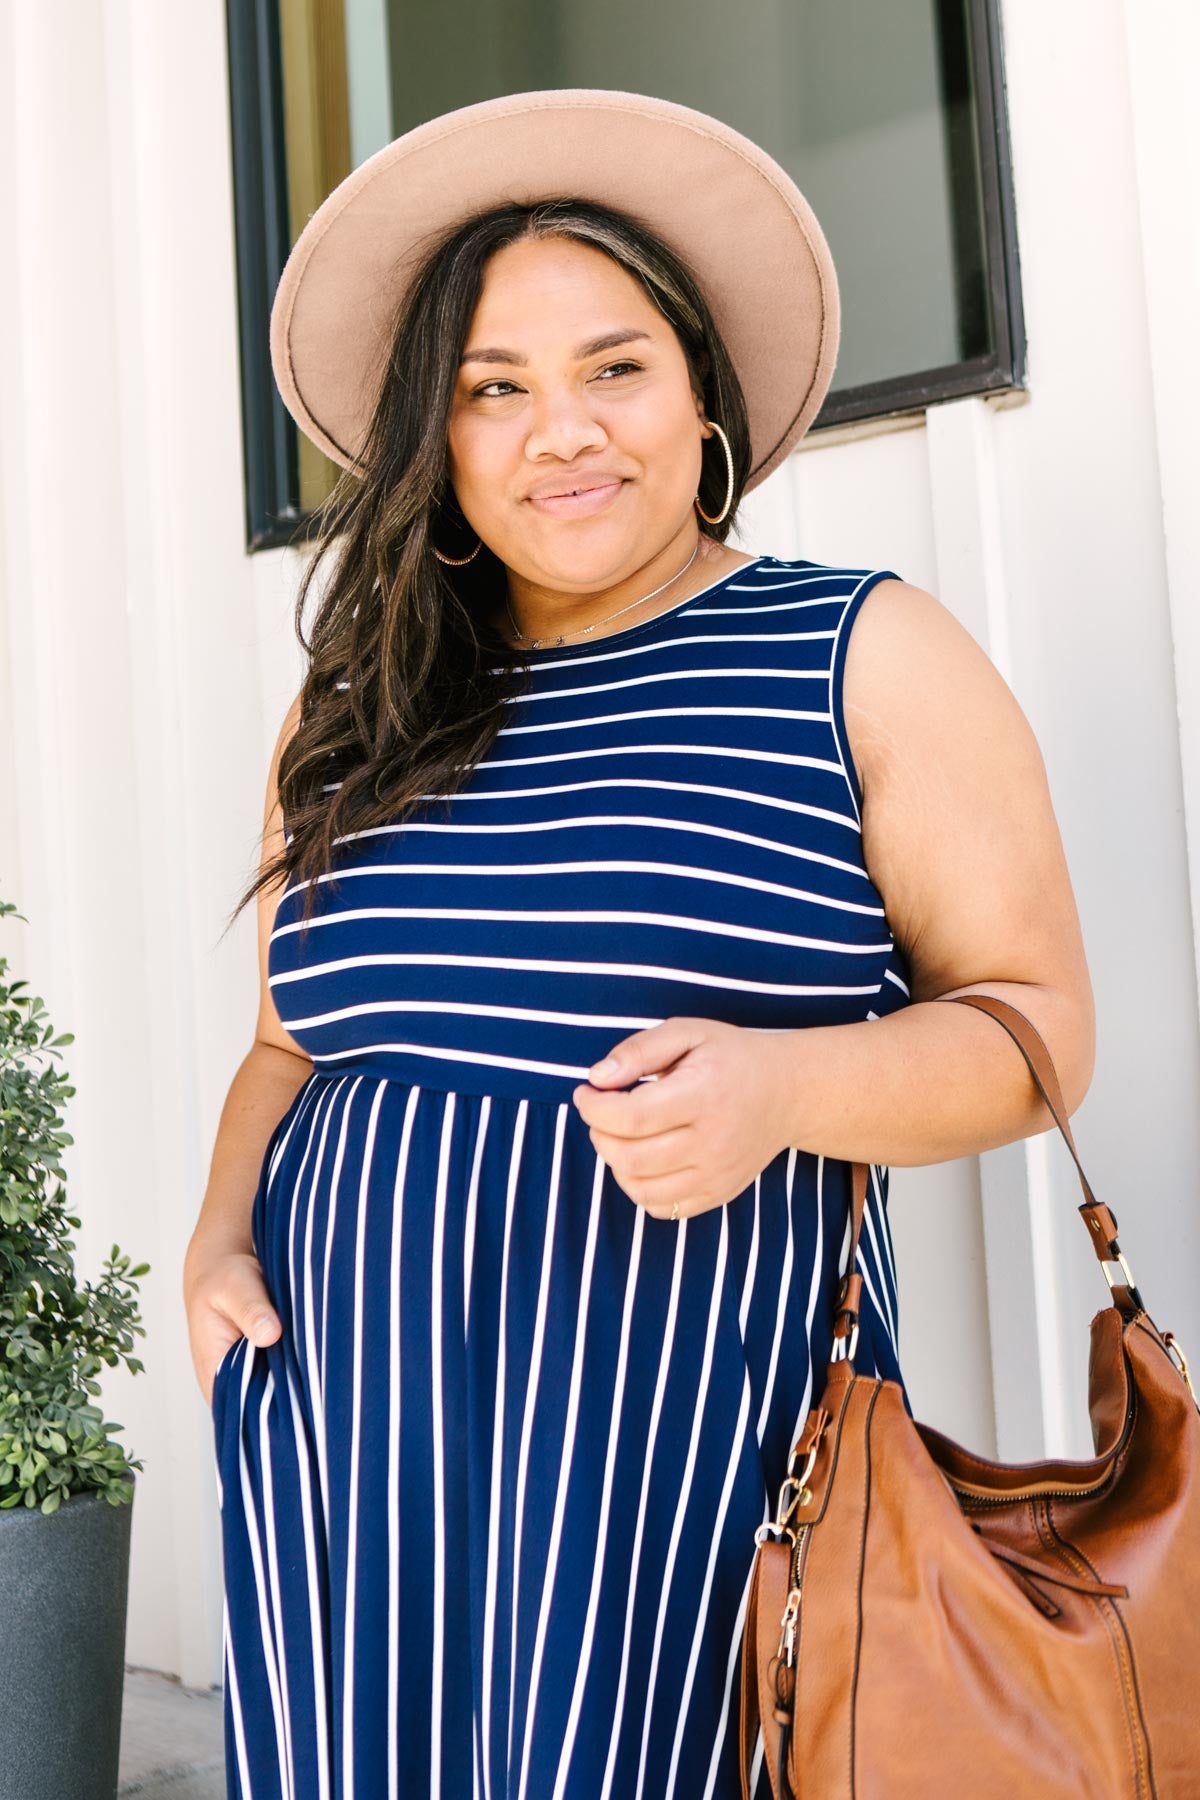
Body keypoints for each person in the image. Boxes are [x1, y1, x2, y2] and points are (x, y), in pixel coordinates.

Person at [182, 89, 1095, 1800]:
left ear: (701, 397)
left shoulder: (861, 653)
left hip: (683, 1450)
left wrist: (781, 1087)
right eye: (493, 389)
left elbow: (1041, 1031)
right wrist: (220, 1241)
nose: (562, 433)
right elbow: (291, 1043)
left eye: (615, 369)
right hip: (346, 1450)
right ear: (437, 441)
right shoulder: (363, 701)